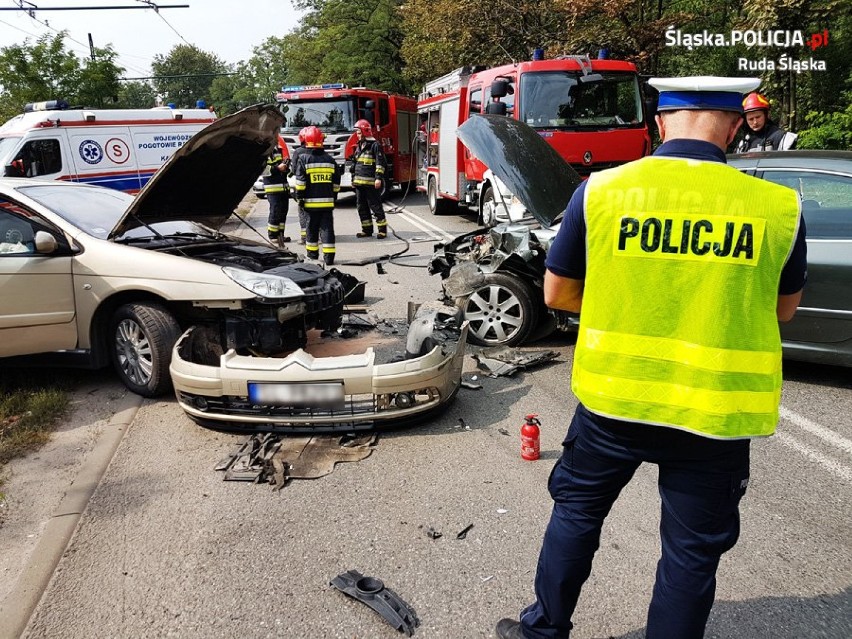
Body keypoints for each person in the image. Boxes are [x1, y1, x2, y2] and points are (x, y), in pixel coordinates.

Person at [496, 76, 807, 639]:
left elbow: (558, 295)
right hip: (713, 414)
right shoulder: (777, 206)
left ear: (659, 123)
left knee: (576, 516)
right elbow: (785, 310)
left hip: (615, 399)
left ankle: (543, 631)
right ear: (736, 127)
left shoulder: (602, 190)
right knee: (690, 555)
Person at [293, 126, 340, 266]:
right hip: (327, 203)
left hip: (310, 204)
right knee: (327, 229)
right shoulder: (330, 160)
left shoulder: (303, 159)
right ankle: (329, 258)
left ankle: (312, 256)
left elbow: (300, 183)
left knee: (311, 229)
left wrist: (299, 198)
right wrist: (334, 196)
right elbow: (336, 183)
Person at [350, 119, 388, 239]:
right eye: (357, 132)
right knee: (361, 207)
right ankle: (366, 229)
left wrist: (378, 178)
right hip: (359, 183)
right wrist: (353, 179)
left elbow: (380, 163)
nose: (357, 134)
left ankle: (382, 230)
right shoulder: (359, 146)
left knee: (375, 206)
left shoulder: (375, 145)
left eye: (359, 132)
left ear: (365, 132)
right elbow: (354, 164)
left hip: (371, 182)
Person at [262, 144, 291, 244]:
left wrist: (286, 166)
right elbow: (263, 169)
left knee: (283, 211)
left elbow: (280, 165)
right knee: (275, 211)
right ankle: (273, 235)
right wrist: (278, 168)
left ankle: (280, 235)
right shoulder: (264, 150)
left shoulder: (277, 149)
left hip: (283, 187)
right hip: (272, 188)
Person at [290, 127, 310, 244]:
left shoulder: (298, 152)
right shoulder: (317, 151)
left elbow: (293, 169)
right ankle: (316, 234)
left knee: (302, 211)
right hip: (315, 187)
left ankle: (304, 237)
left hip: (301, 186)